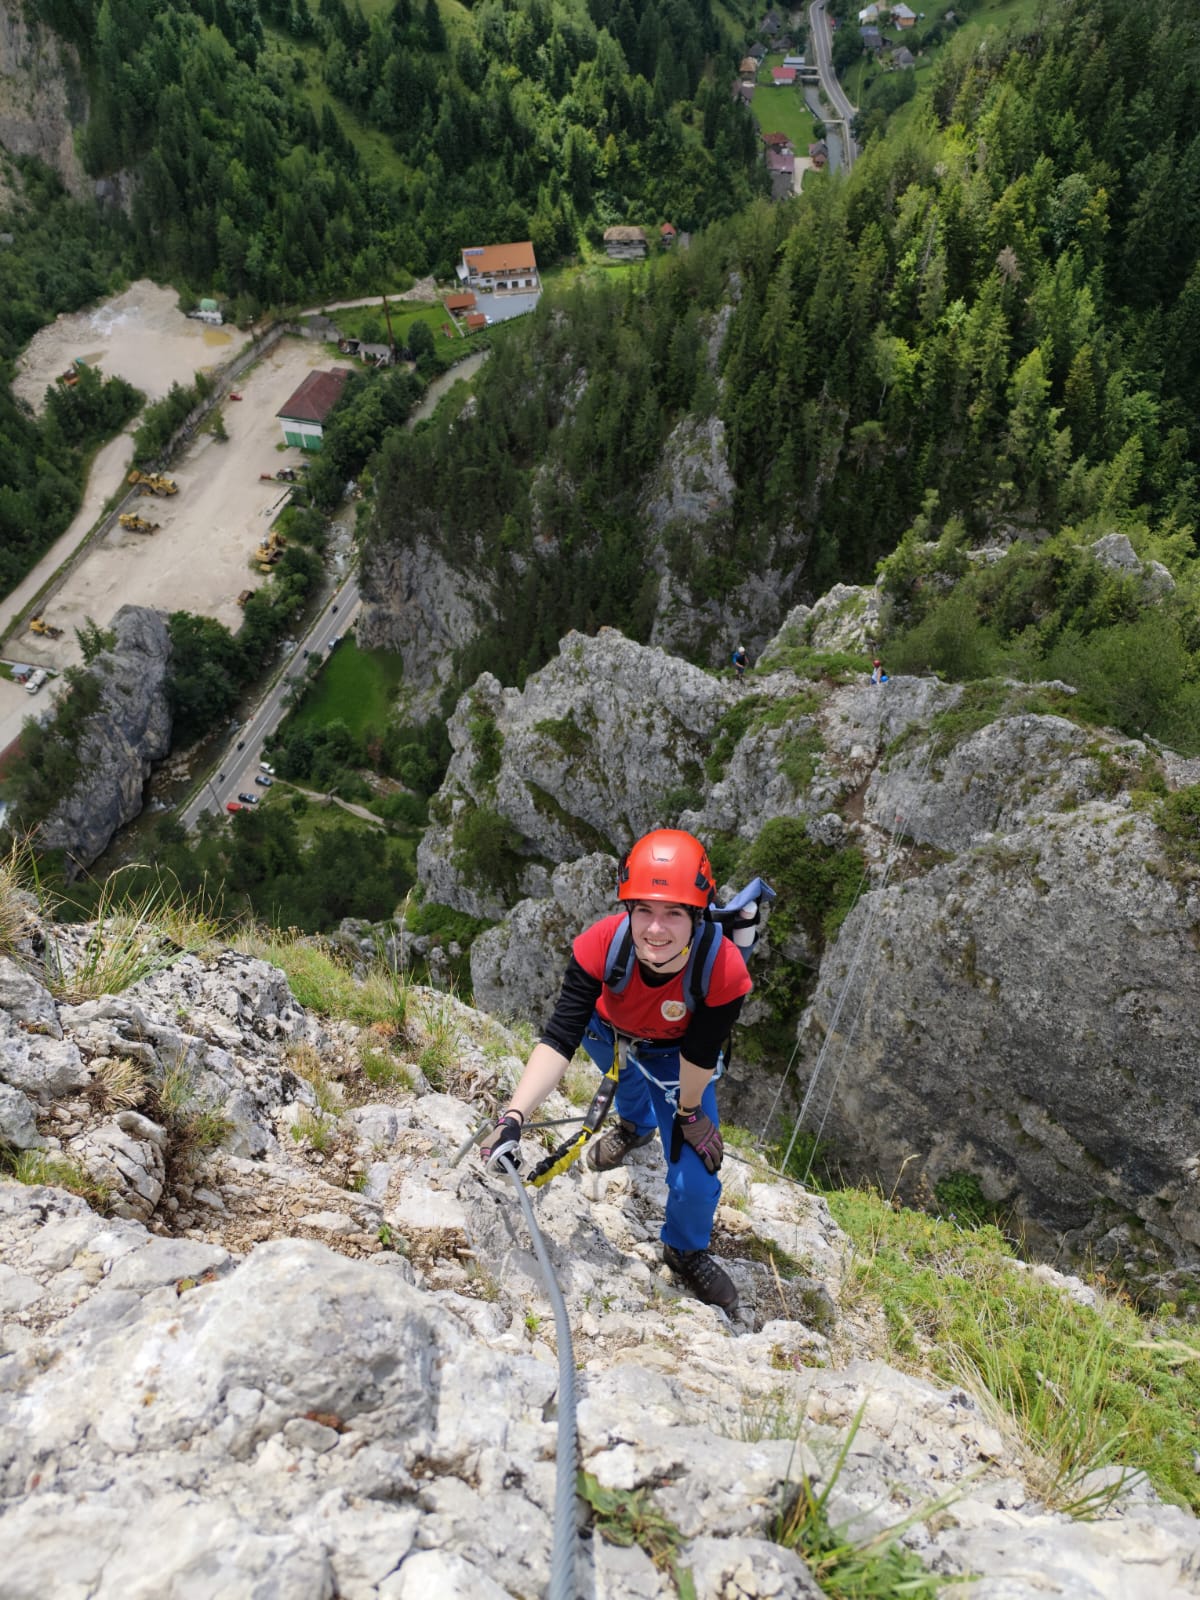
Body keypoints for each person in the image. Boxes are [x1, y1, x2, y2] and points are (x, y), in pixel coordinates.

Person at [480, 829, 752, 1315]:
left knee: (695, 1173)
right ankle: (634, 1128)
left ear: (697, 915)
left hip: (677, 1057)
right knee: (625, 1080)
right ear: (627, 910)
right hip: (607, 1032)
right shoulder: (601, 943)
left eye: (673, 912)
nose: (655, 928)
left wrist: (689, 1114)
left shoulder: (722, 968)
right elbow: (561, 1035)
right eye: (644, 909)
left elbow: (701, 1051)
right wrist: (514, 1116)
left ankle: (685, 1249)